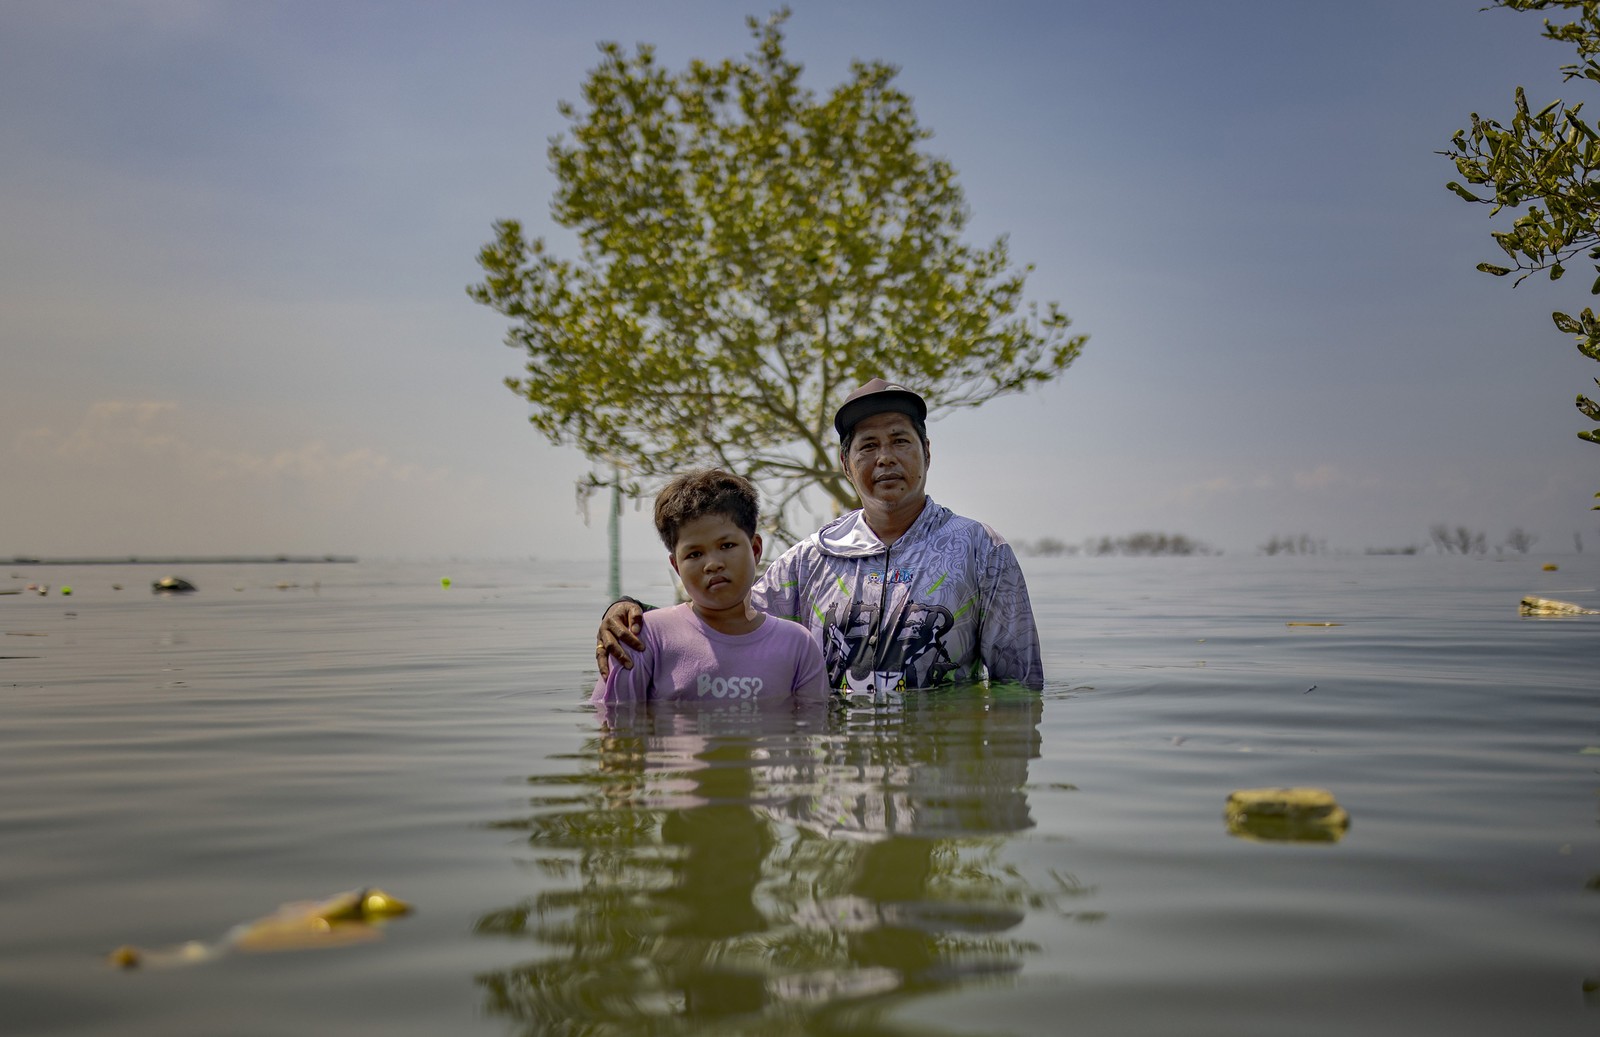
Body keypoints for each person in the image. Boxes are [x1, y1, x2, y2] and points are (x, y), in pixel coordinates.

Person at [598, 379, 1043, 694]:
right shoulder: (813, 558)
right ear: (846, 466)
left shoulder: (981, 549)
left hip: (938, 778)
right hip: (834, 784)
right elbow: (726, 617)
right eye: (867, 446)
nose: (885, 458)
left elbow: (1021, 687)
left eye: (900, 441)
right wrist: (633, 612)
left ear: (927, 452)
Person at [590, 468, 829, 706]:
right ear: (676, 566)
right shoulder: (642, 638)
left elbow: (812, 729)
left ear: (755, 549)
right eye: (694, 554)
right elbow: (613, 729)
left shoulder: (797, 644)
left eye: (726, 546)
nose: (713, 564)